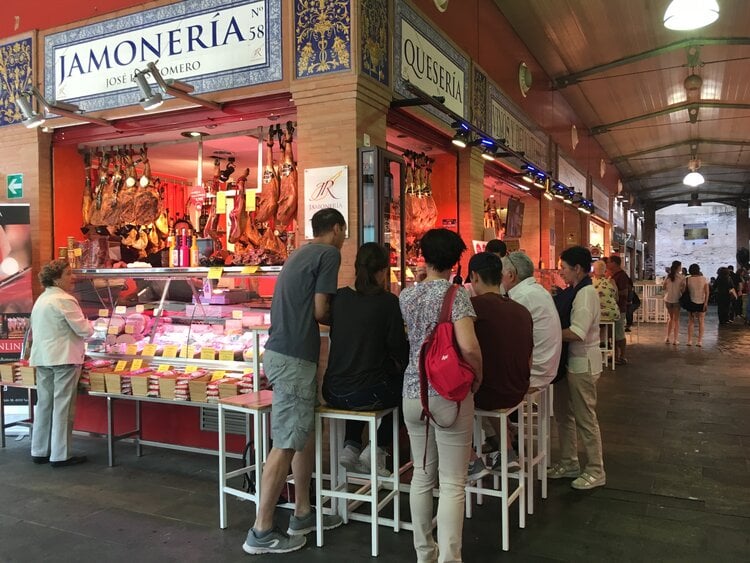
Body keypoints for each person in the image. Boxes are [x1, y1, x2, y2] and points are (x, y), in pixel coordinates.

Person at [243, 208, 346, 555]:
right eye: (343, 233)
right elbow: (320, 311)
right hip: (293, 358)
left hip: (283, 354)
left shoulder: (300, 252)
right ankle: (261, 531)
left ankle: (303, 512)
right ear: (336, 229)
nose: (344, 240)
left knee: (301, 434)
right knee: (286, 440)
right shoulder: (329, 253)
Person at [399, 228, 482, 563]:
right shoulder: (456, 296)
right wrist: (477, 375)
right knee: (451, 484)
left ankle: (424, 554)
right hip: (448, 393)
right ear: (455, 261)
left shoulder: (406, 295)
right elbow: (468, 346)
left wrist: (420, 280)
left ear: (424, 256)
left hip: (411, 392)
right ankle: (450, 558)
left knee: (421, 475)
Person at [322, 243, 409, 476]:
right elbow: (398, 347)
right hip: (365, 393)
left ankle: (351, 446)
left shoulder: (339, 298)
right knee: (408, 392)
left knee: (363, 377)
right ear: (381, 272)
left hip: (332, 391)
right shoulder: (388, 302)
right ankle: (377, 449)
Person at [469, 252, 533, 471]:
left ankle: (467, 460)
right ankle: (504, 450)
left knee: (447, 396)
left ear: (474, 276)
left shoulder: (473, 308)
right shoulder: (522, 310)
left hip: (490, 394)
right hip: (518, 390)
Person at [548, 246, 605, 490]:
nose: (561, 272)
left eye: (564, 268)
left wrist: (546, 335)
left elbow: (577, 333)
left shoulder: (585, 295)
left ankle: (595, 469)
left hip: (583, 363)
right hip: (570, 363)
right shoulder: (574, 291)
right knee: (564, 415)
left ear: (578, 269)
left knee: (585, 418)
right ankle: (569, 461)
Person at [29, 259, 93, 467]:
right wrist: (95, 327)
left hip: (43, 357)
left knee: (45, 404)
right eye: (68, 274)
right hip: (63, 358)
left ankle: (39, 450)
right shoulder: (64, 299)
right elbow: (84, 330)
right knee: (63, 406)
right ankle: (60, 455)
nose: (72, 277)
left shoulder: (42, 299)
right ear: (57, 278)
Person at [501, 251, 563, 390]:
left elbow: (508, 337)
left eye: (501, 275)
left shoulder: (522, 297)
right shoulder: (537, 290)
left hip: (535, 373)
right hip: (548, 367)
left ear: (511, 275)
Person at [606, 256, 630, 365]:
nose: (607, 264)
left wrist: (611, 293)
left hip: (620, 308)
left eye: (609, 262)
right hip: (613, 308)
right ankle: (615, 355)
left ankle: (623, 356)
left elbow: (625, 292)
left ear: (615, 263)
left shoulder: (622, 276)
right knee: (614, 333)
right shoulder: (614, 275)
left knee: (619, 333)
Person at [684, 263, 709, 346]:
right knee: (701, 322)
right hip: (702, 302)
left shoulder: (687, 279)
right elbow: (707, 292)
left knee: (691, 322)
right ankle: (700, 341)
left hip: (691, 302)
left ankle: (689, 341)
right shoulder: (704, 279)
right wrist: (705, 302)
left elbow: (683, 290)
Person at [662, 260, 686, 345]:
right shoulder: (682, 277)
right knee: (676, 320)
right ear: (678, 267)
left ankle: (667, 337)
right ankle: (675, 340)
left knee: (670, 318)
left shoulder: (668, 276)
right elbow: (683, 290)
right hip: (677, 300)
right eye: (680, 266)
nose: (681, 267)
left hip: (668, 299)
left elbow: (664, 287)